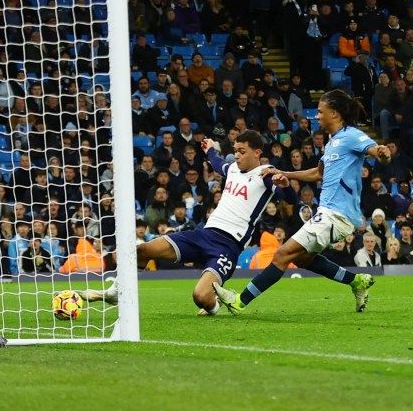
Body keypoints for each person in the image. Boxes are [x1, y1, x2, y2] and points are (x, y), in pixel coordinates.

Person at [213, 91, 391, 314]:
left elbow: (377, 152)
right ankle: (357, 281)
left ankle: (240, 301)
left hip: (336, 214)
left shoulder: (352, 135)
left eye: (320, 111)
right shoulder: (332, 143)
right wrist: (285, 173)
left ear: (334, 113)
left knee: (282, 254)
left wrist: (383, 153)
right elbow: (318, 174)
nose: (316, 116)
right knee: (304, 258)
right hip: (327, 212)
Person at [89, 131, 298, 315]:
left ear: (257, 153)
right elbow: (218, 163)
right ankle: (118, 292)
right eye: (235, 150)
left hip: (227, 247)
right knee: (142, 250)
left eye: (242, 151)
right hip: (203, 235)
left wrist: (285, 185)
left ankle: (214, 306)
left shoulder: (265, 174)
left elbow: (291, 199)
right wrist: (209, 151)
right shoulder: (233, 168)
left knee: (200, 296)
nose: (237, 155)